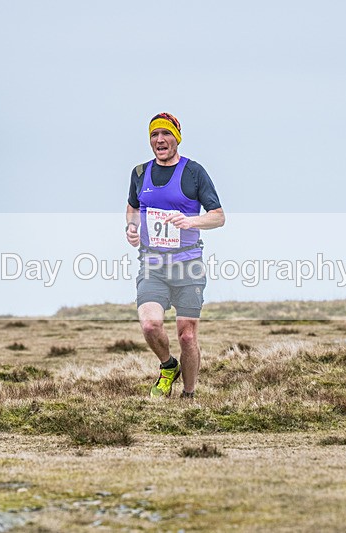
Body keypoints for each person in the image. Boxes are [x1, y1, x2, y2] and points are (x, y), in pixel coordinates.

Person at [126, 112, 225, 399]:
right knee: (150, 324)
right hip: (152, 263)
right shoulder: (139, 173)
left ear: (176, 138)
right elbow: (132, 206)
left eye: (166, 134)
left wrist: (190, 221)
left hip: (188, 265)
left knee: (187, 335)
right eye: (154, 135)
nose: (160, 140)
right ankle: (168, 366)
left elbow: (219, 217)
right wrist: (131, 229)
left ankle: (189, 395)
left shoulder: (194, 172)